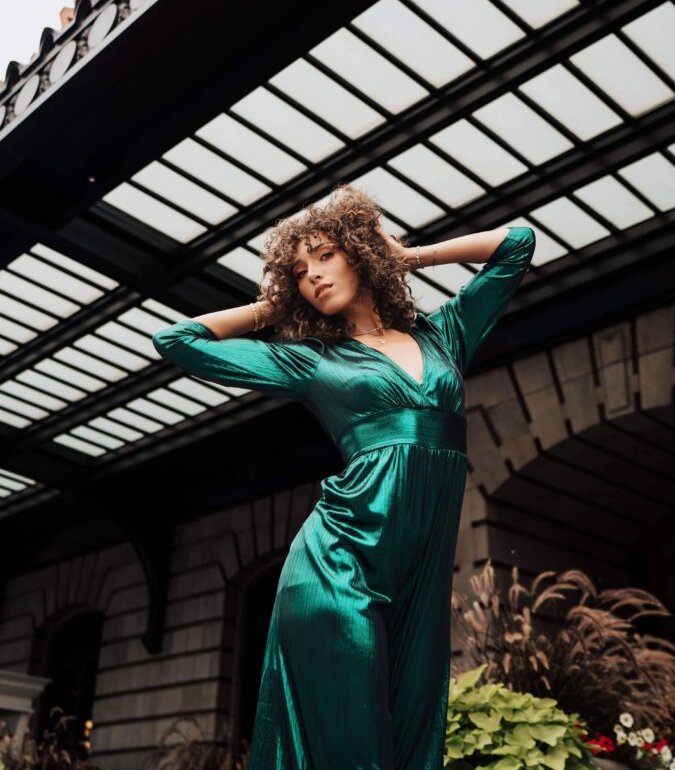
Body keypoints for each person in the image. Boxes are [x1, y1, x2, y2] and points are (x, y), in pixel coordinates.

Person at [152, 182, 536, 770]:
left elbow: (517, 244)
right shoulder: (310, 360)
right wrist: (276, 308)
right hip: (337, 563)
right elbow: (178, 341)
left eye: (325, 255)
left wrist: (406, 256)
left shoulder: (445, 336)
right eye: (300, 270)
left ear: (360, 252)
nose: (314, 275)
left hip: (419, 570)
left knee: (412, 723)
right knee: (355, 742)